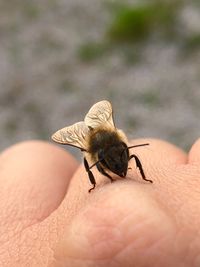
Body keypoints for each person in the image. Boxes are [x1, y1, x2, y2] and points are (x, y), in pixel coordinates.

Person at [0, 138, 200, 267]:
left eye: (122, 155)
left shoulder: (121, 147)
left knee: (31, 153)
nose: (119, 164)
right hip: (95, 149)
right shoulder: (94, 154)